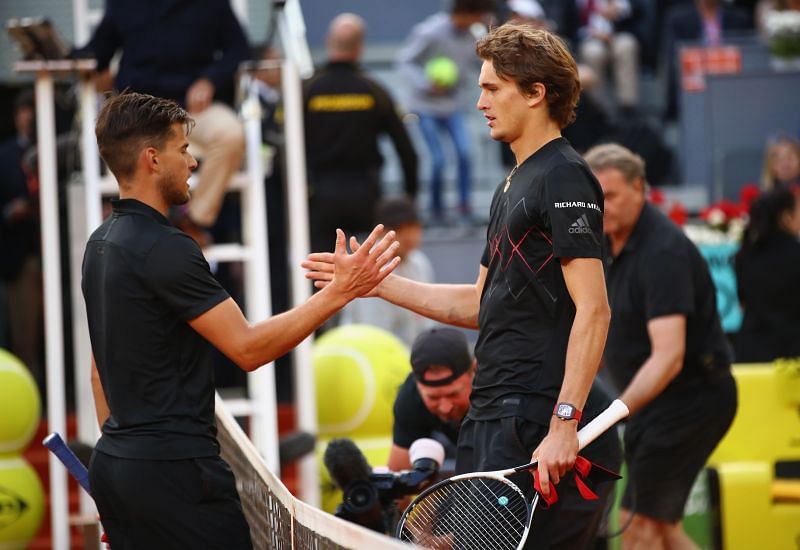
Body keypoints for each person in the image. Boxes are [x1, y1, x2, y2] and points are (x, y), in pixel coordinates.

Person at [307, 23, 612, 548]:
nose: (479, 102)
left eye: (492, 88)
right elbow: (478, 303)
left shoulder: (564, 176)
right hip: (490, 415)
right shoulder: (513, 182)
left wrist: (564, 422)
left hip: (532, 416)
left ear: (536, 93)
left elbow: (595, 310)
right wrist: (375, 284)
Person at [83, 91, 400, 549]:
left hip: (117, 468)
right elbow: (248, 348)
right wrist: (339, 292)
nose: (194, 163)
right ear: (153, 159)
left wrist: (119, 474)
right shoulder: (168, 249)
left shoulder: (99, 244)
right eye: (184, 150)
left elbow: (98, 374)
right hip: (178, 479)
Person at [584, 143, 738, 549]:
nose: (602, 207)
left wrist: (614, 412)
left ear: (641, 189)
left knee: (639, 527)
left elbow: (668, 357)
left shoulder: (662, 251)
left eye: (611, 195)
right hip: (656, 406)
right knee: (665, 530)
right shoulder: (604, 242)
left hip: (691, 400)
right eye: (594, 198)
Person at [390, 327, 623, 549]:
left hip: (589, 438)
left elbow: (498, 497)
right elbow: (400, 484)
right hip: (525, 453)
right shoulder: (410, 400)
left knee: (554, 540)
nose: (445, 406)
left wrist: (460, 538)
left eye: (453, 394)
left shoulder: (497, 389)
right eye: (433, 397)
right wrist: (419, 534)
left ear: (474, 370)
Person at [81, 0, 250, 241]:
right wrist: (54, 53)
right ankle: (140, 229)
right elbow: (98, 50)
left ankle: (193, 221)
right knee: (113, 141)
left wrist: (210, 80)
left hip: (192, 110)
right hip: (138, 113)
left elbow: (239, 49)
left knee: (230, 134)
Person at [305, 13, 418, 254]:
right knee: (370, 271)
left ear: (328, 41)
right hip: (366, 194)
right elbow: (406, 150)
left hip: (319, 194)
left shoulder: (308, 89)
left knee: (322, 269)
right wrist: (410, 198)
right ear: (360, 47)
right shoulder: (374, 90)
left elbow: (284, 143)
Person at [396, 0, 496, 224]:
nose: (480, 20)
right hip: (425, 106)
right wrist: (424, 83)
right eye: (478, 15)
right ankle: (435, 212)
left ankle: (464, 209)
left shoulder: (472, 37)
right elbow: (405, 61)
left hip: (453, 106)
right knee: (438, 159)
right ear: (466, 13)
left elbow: (479, 64)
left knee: (464, 153)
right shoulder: (429, 31)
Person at [340, 197, 435, 347]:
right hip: (367, 354)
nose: (408, 235)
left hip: (408, 356)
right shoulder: (369, 265)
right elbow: (374, 332)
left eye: (412, 226)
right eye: (399, 229)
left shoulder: (420, 263)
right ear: (381, 232)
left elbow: (427, 320)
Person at [0, 89, 43, 389]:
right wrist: (9, 212)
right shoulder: (3, 156)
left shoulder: (58, 149)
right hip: (21, 257)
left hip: (60, 256)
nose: (28, 119)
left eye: (33, 114)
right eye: (23, 113)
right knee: (24, 334)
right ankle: (33, 402)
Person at [734, 187, 800, 362]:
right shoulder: (796, 254)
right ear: (786, 217)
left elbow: (742, 305)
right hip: (792, 359)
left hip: (751, 356)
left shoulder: (744, 255)